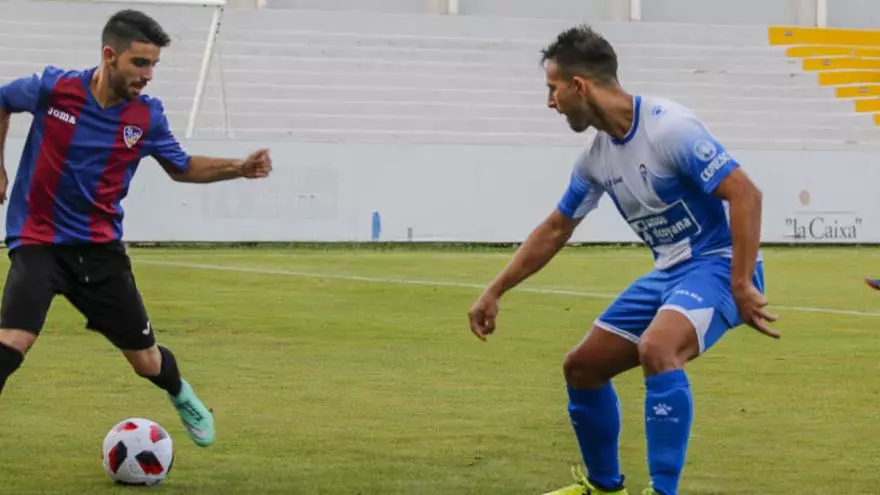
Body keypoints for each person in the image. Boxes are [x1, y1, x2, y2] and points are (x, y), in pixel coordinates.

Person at [467, 25, 778, 495]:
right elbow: (557, 228)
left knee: (658, 348)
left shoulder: (669, 128)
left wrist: (740, 283)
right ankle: (603, 487)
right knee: (582, 367)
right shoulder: (595, 159)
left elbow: (746, 194)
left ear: (579, 86)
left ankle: (663, 491)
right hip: (670, 272)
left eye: (552, 88)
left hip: (718, 264)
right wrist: (495, 290)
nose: (549, 102)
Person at [0, 9, 272, 448]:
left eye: (154, 65)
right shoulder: (55, 88)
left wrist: (238, 168)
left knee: (146, 361)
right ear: (110, 55)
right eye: (140, 63)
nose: (148, 75)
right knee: (13, 341)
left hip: (101, 252)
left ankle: (180, 393)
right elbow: (2, 99)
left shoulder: (147, 118)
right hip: (39, 242)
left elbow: (182, 167)